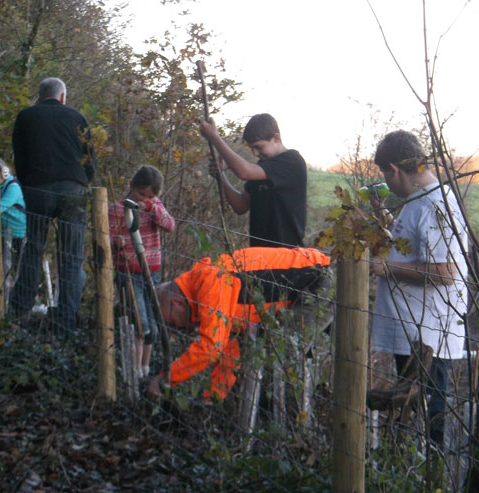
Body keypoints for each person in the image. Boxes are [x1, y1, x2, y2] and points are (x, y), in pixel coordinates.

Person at [368, 130, 469, 446]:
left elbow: (445, 272)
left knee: (430, 415)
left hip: (428, 335)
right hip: (415, 331)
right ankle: (412, 475)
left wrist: (385, 268)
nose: (387, 180)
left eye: (386, 173)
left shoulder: (437, 206)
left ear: (394, 170)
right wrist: (381, 215)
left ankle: (431, 478)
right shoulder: (420, 201)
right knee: (412, 411)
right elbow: (412, 247)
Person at [147, 246, 330, 402]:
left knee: (290, 352)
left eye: (171, 322)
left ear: (177, 303)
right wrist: (213, 396)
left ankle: (300, 424)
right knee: (280, 353)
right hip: (305, 284)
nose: (174, 330)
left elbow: (211, 347)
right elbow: (229, 344)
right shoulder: (204, 289)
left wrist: (165, 380)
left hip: (317, 281)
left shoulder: (211, 282)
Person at [9, 77, 96, 336]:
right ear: (62, 97)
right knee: (71, 257)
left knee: (33, 248)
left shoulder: (26, 117)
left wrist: (28, 187)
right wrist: (83, 183)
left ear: (40, 95)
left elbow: (19, 158)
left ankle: (20, 312)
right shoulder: (78, 117)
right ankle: (66, 324)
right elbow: (89, 160)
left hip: (38, 188)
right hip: (73, 189)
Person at [198, 113, 306, 248]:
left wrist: (214, 137)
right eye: (251, 149)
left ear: (276, 138)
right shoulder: (262, 167)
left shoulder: (292, 161)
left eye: (258, 147)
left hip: (288, 258)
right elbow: (240, 206)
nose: (255, 153)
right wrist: (221, 176)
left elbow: (244, 172)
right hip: (258, 257)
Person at [109, 165, 175, 378]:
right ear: (131, 187)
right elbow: (106, 236)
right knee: (140, 323)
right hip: (128, 274)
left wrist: (153, 207)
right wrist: (114, 242)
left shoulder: (155, 207)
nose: (144, 199)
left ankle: (144, 368)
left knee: (154, 323)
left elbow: (170, 225)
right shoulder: (116, 209)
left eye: (150, 195)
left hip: (151, 273)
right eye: (141, 194)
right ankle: (134, 370)